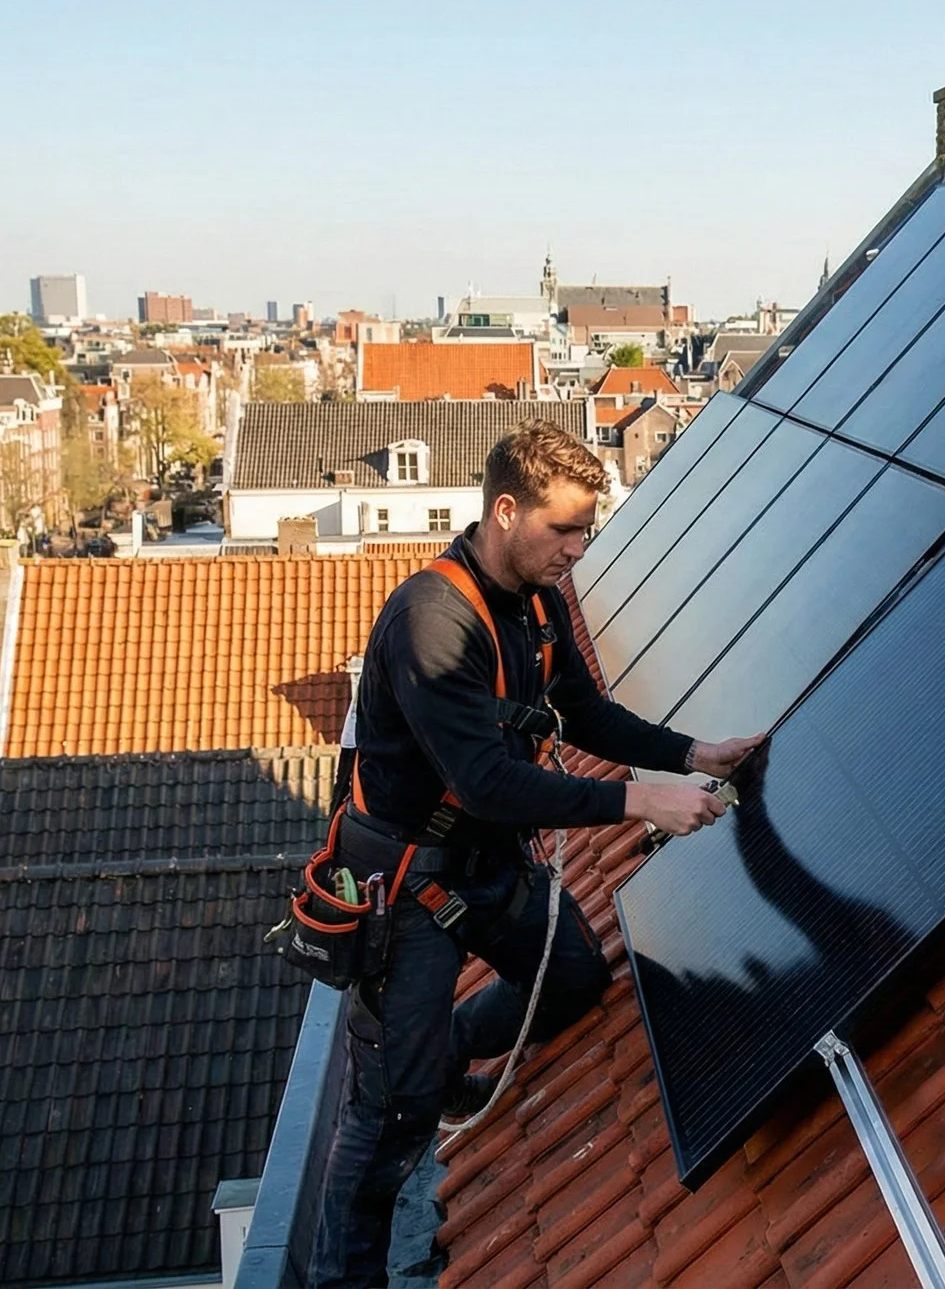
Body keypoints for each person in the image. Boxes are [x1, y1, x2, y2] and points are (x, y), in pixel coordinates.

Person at [310, 420, 763, 1287]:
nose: (578, 549)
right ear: (506, 511)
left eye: (586, 529)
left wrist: (691, 753)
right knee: (392, 1118)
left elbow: (589, 716)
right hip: (408, 886)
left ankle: (440, 1053)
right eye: (564, 529)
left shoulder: (539, 605)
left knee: (575, 979)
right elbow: (484, 782)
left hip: (486, 865)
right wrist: (639, 797)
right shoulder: (432, 623)